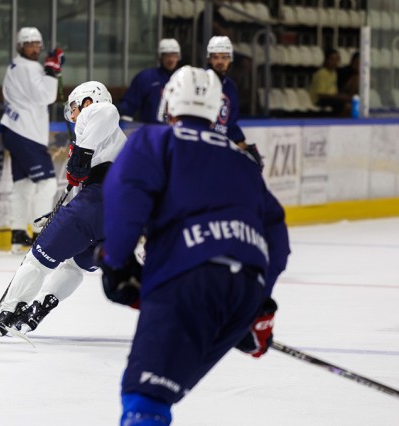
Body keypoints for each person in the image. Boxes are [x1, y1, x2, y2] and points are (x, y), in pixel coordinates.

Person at [97, 66, 290, 425]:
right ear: (219, 109)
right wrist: (258, 304)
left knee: (145, 398)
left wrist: (116, 262)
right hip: (244, 288)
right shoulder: (243, 160)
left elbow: (125, 194)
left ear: (168, 103)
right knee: (159, 392)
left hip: (186, 277)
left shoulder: (155, 141)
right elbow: (276, 236)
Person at [0, 81, 126, 343]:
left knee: (37, 259)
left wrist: (82, 153)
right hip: (119, 219)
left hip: (98, 202)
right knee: (75, 265)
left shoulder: (99, 114)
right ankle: (37, 309)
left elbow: (107, 111)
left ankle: (5, 314)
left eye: (75, 109)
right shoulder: (107, 139)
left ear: (88, 101)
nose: (74, 116)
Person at [0, 27, 62, 251]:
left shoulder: (17, 66)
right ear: (20, 46)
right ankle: (40, 233)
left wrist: (48, 72)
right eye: (30, 43)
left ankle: (18, 233)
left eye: (37, 43)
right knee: (47, 183)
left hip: (18, 131)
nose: (35, 48)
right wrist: (52, 73)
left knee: (23, 185)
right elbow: (47, 96)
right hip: (25, 134)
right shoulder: (28, 68)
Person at [204, 36, 262, 168]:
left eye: (224, 57)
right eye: (216, 57)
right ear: (209, 59)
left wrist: (244, 149)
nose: (220, 61)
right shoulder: (198, 80)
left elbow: (230, 126)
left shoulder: (230, 87)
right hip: (201, 148)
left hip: (220, 152)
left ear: (230, 59)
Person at [118, 39, 181, 123]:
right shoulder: (146, 78)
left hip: (176, 131)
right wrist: (114, 112)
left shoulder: (183, 79)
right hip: (151, 130)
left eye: (174, 55)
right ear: (160, 57)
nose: (171, 59)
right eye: (167, 55)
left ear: (178, 57)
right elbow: (129, 104)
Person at [309, 48, 350, 116]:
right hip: (320, 100)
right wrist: (338, 97)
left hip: (331, 98)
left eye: (337, 60)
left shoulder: (334, 73)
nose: (335, 62)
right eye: (332, 60)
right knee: (343, 105)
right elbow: (320, 95)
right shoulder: (322, 73)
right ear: (326, 60)